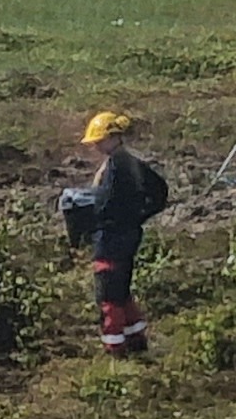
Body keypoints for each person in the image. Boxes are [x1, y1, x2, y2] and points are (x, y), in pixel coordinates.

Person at [62, 109, 166, 356]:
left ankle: (115, 347)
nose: (96, 146)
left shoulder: (117, 169)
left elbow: (106, 205)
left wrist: (89, 219)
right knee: (121, 290)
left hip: (111, 240)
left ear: (113, 137)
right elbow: (160, 192)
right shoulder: (130, 164)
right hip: (127, 236)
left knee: (108, 294)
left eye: (99, 141)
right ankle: (136, 338)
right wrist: (139, 217)